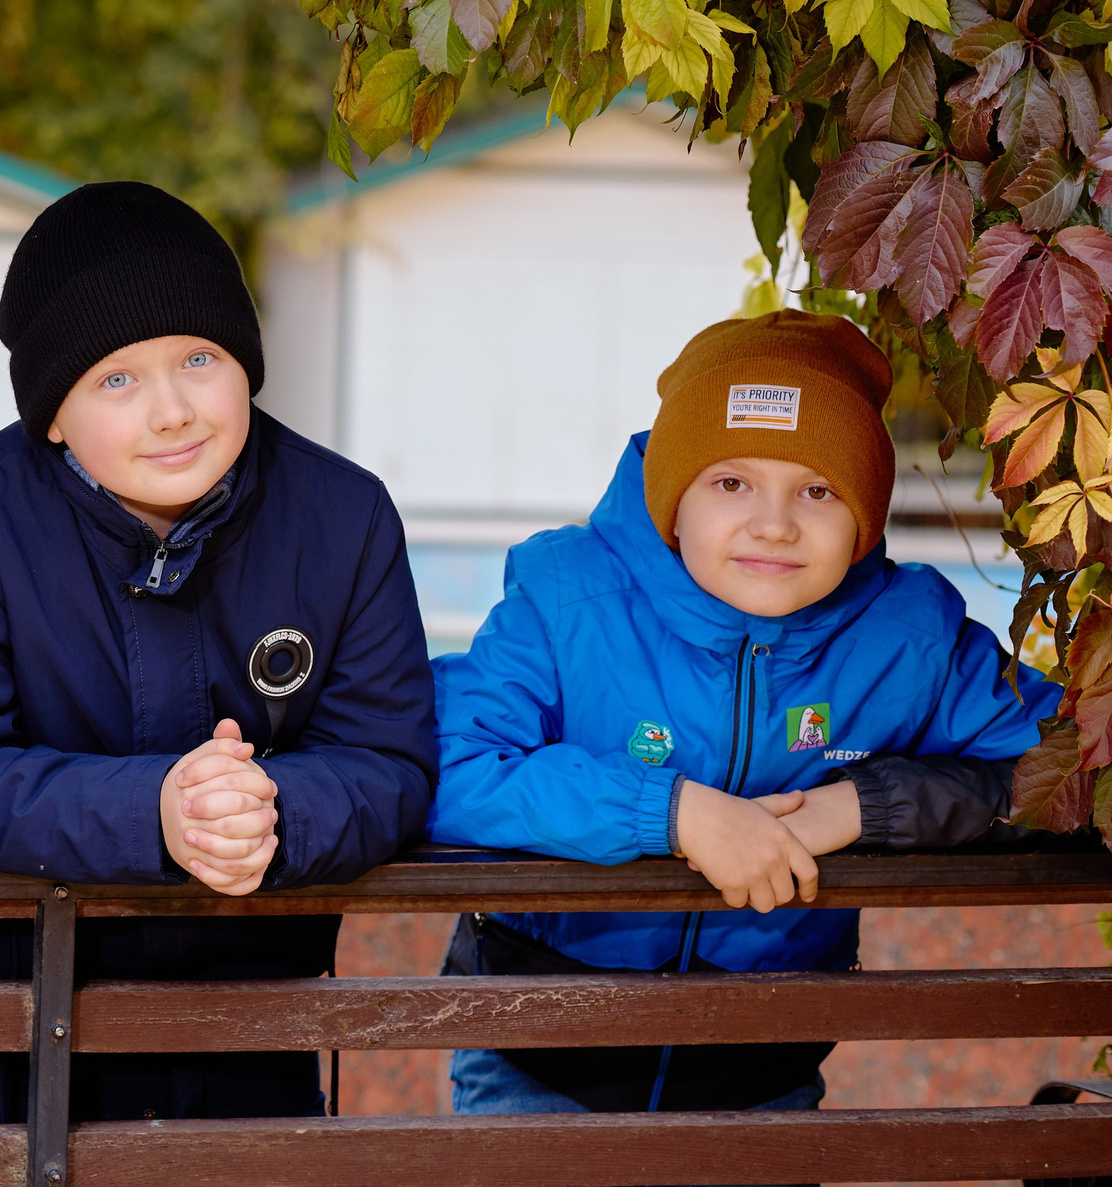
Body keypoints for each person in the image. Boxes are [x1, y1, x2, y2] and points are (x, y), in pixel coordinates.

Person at [0, 181, 437, 1124]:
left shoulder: (342, 515)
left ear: (246, 363)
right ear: (53, 413)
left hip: (251, 1019)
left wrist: (269, 811)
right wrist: (155, 812)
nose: (172, 409)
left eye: (199, 358)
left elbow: (389, 756)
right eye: (117, 379)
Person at [432, 309, 1060, 1116]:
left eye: (819, 489)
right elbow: (453, 760)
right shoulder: (568, 598)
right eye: (732, 482)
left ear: (865, 514)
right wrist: (674, 813)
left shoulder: (909, 640)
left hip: (762, 1069)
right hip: (539, 1056)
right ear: (674, 498)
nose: (774, 522)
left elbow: (1067, 763)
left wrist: (860, 808)